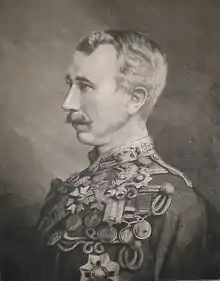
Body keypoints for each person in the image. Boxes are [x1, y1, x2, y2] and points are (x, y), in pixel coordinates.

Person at [36, 29, 207, 281]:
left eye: (85, 86)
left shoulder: (177, 203)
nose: (68, 103)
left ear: (134, 99)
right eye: (69, 85)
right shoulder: (65, 192)